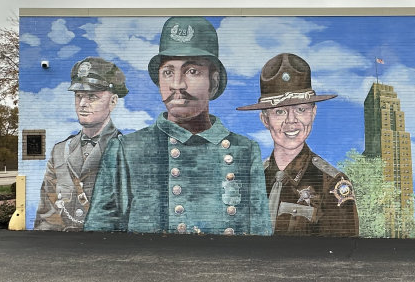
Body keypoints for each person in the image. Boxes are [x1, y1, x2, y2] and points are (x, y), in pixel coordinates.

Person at [84, 16, 271, 235]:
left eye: (192, 71)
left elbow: (260, 237)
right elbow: (98, 238)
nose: (177, 85)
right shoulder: (126, 150)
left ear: (214, 81)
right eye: (168, 72)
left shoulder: (245, 151)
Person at [237, 53, 358, 236]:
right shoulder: (251, 179)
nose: (291, 121)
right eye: (279, 112)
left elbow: (342, 256)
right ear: (264, 119)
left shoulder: (331, 183)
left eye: (301, 109)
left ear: (313, 113)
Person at [34, 57, 128, 231]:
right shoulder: (60, 151)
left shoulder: (127, 150)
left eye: (92, 96)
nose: (83, 104)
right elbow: (47, 214)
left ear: (113, 101)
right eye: (79, 96)